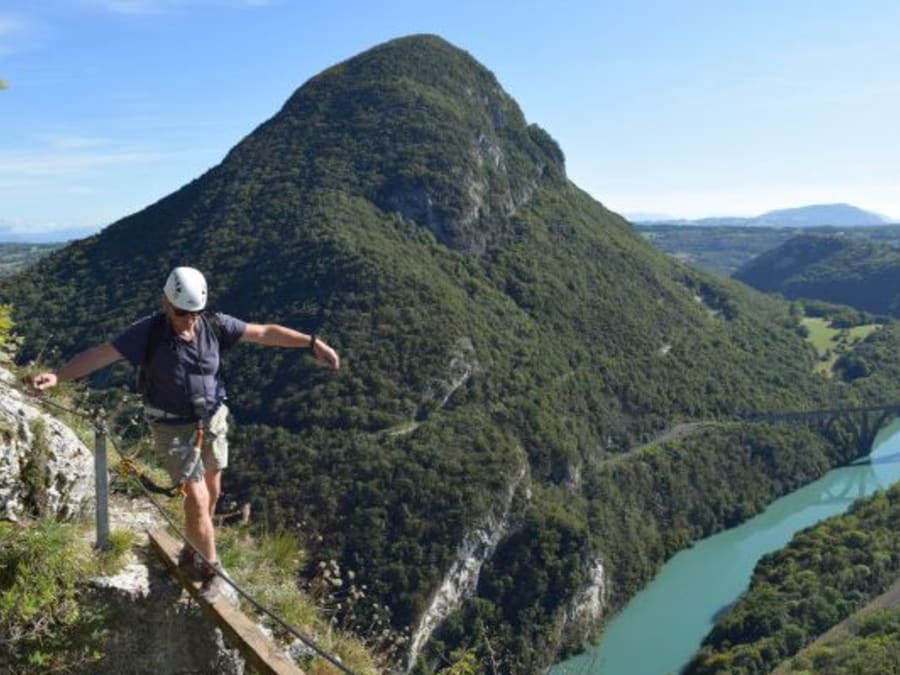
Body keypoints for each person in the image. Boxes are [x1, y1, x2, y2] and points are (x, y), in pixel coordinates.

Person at [32, 266, 340, 601]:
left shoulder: (214, 325)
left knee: (213, 492)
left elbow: (264, 332)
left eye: (193, 313)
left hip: (212, 422)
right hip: (172, 428)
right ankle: (213, 568)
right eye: (180, 312)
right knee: (197, 498)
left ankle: (193, 549)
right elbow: (103, 354)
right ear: (165, 302)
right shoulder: (149, 332)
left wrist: (311, 343)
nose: (187, 320)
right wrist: (59, 377)